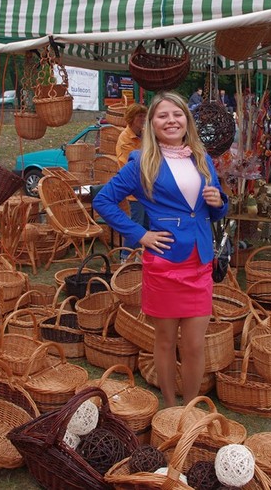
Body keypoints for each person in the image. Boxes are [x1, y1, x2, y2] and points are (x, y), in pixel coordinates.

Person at [93, 91, 229, 407]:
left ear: (187, 120)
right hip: (165, 263)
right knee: (166, 342)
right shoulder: (141, 162)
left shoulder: (202, 158)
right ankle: (170, 407)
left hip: (199, 262)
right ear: (151, 124)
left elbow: (213, 210)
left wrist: (220, 202)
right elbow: (103, 200)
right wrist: (140, 234)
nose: (171, 120)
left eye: (177, 114)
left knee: (194, 345)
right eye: (162, 115)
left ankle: (189, 408)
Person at [115, 103, 149, 255]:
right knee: (136, 224)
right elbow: (130, 166)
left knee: (148, 224)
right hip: (135, 189)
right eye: (139, 116)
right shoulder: (125, 138)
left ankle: (142, 256)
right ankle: (126, 256)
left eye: (144, 116)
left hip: (148, 188)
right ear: (131, 118)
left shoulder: (145, 134)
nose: (143, 119)